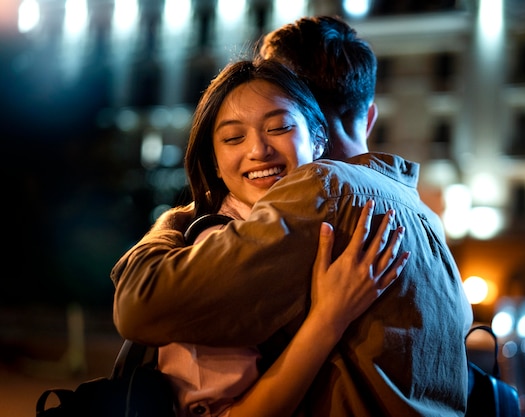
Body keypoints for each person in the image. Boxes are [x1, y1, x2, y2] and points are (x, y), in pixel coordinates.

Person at [112, 15, 473, 416]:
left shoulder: (321, 191)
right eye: (235, 135)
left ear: (304, 114)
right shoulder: (423, 217)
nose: (258, 147)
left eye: (273, 114)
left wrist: (176, 222)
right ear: (368, 116)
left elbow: (140, 304)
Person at [154, 59, 409, 417]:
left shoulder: (332, 230)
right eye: (233, 137)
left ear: (318, 139)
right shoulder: (215, 251)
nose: (258, 150)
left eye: (279, 128)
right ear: (214, 161)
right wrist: (328, 319)